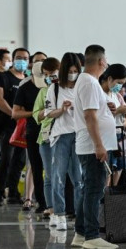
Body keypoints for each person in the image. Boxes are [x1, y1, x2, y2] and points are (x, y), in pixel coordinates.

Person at [73, 44, 119, 249]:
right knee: (93, 190)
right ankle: (91, 235)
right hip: (93, 147)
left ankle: (81, 233)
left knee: (88, 189)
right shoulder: (90, 83)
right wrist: (99, 145)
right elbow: (89, 116)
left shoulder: (86, 81)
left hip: (90, 145)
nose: (107, 63)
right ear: (101, 61)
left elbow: (94, 112)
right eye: (106, 60)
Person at [40, 53, 83, 231]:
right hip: (61, 135)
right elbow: (48, 113)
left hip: (79, 135)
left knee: (79, 179)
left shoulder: (83, 86)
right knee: (58, 176)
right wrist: (62, 109)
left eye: (76, 71)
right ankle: (59, 214)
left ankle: (81, 216)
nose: (73, 74)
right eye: (70, 71)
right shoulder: (55, 88)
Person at [0, 47, 30, 205]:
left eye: (25, 58)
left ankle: (13, 192)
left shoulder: (28, 79)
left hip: (24, 126)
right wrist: (14, 115)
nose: (22, 60)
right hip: (8, 125)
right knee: (6, 158)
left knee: (19, 160)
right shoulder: (3, 77)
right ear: (13, 59)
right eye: (19, 57)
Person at [13, 58, 48, 213]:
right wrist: (36, 114)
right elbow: (15, 113)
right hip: (33, 131)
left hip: (51, 131)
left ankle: (54, 203)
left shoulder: (52, 86)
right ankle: (41, 202)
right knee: (36, 167)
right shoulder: (25, 88)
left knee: (52, 169)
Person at [33, 57, 61, 220]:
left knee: (64, 174)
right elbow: (36, 115)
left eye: (52, 73)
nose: (50, 76)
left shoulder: (66, 89)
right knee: (50, 174)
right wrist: (47, 111)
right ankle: (50, 206)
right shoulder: (43, 92)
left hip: (64, 135)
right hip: (46, 137)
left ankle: (64, 207)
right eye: (46, 74)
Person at [99, 64, 126, 184]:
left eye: (122, 83)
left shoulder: (117, 96)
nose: (120, 86)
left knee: (119, 167)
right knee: (107, 168)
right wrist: (118, 111)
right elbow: (98, 118)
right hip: (106, 136)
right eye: (119, 82)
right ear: (109, 79)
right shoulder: (98, 94)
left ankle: (112, 194)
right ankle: (105, 195)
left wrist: (124, 116)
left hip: (119, 135)